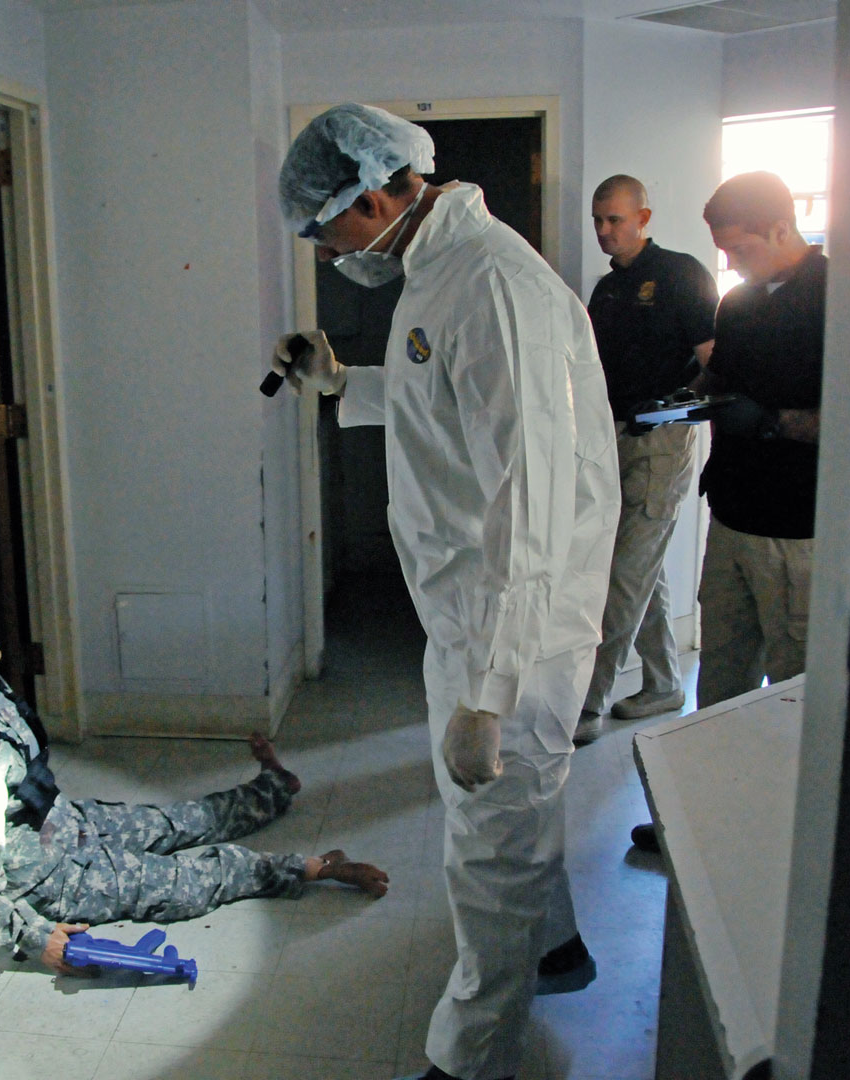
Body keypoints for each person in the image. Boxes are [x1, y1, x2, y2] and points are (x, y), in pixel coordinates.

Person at [272, 104, 618, 1080]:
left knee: (488, 850)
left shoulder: (494, 285)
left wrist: (492, 690)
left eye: (325, 230)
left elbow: (534, 499)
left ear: (373, 196)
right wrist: (343, 383)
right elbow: (445, 396)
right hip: (473, 610)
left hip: (518, 625)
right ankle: (555, 948)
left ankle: (468, 1062)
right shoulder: (445, 272)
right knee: (513, 819)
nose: (329, 251)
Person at [0, 574, 388, 974]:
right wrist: (36, 937)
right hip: (49, 877)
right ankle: (315, 866)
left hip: (64, 823)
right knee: (186, 880)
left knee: (176, 820)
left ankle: (273, 788)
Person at [574, 175, 718, 746]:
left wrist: (678, 410)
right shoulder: (607, 292)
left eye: (615, 219)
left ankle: (587, 702)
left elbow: (715, 360)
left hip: (662, 442)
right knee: (642, 568)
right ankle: (664, 684)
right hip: (613, 438)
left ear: (644, 216)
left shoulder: (682, 274)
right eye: (598, 221)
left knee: (622, 578)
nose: (605, 231)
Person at [691, 170, 825, 710]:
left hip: (794, 530)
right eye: (723, 251)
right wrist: (677, 398)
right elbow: (718, 377)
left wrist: (771, 421)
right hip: (729, 519)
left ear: (781, 229)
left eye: (739, 248)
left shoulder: (841, 299)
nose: (730, 263)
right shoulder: (739, 303)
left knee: (793, 686)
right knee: (722, 679)